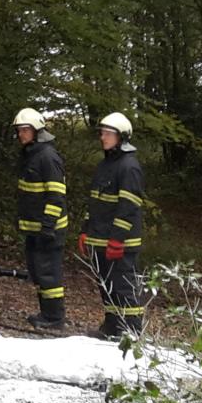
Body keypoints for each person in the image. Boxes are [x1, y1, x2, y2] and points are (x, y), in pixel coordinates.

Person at [78, 112, 145, 339]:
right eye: (102, 133)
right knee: (106, 286)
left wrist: (117, 239)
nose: (103, 137)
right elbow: (96, 203)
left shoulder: (129, 167)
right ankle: (112, 327)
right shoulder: (105, 165)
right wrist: (85, 231)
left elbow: (128, 207)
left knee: (123, 286)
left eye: (108, 134)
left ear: (122, 137)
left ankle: (131, 332)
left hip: (120, 242)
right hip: (100, 238)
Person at [12, 108, 68, 330]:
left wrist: (48, 226)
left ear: (37, 131)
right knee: (38, 271)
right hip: (35, 228)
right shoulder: (31, 154)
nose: (21, 134)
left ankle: (54, 318)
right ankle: (46, 313)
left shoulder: (47, 157)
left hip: (49, 229)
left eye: (25, 130)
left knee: (48, 273)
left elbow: (56, 196)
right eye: (19, 130)